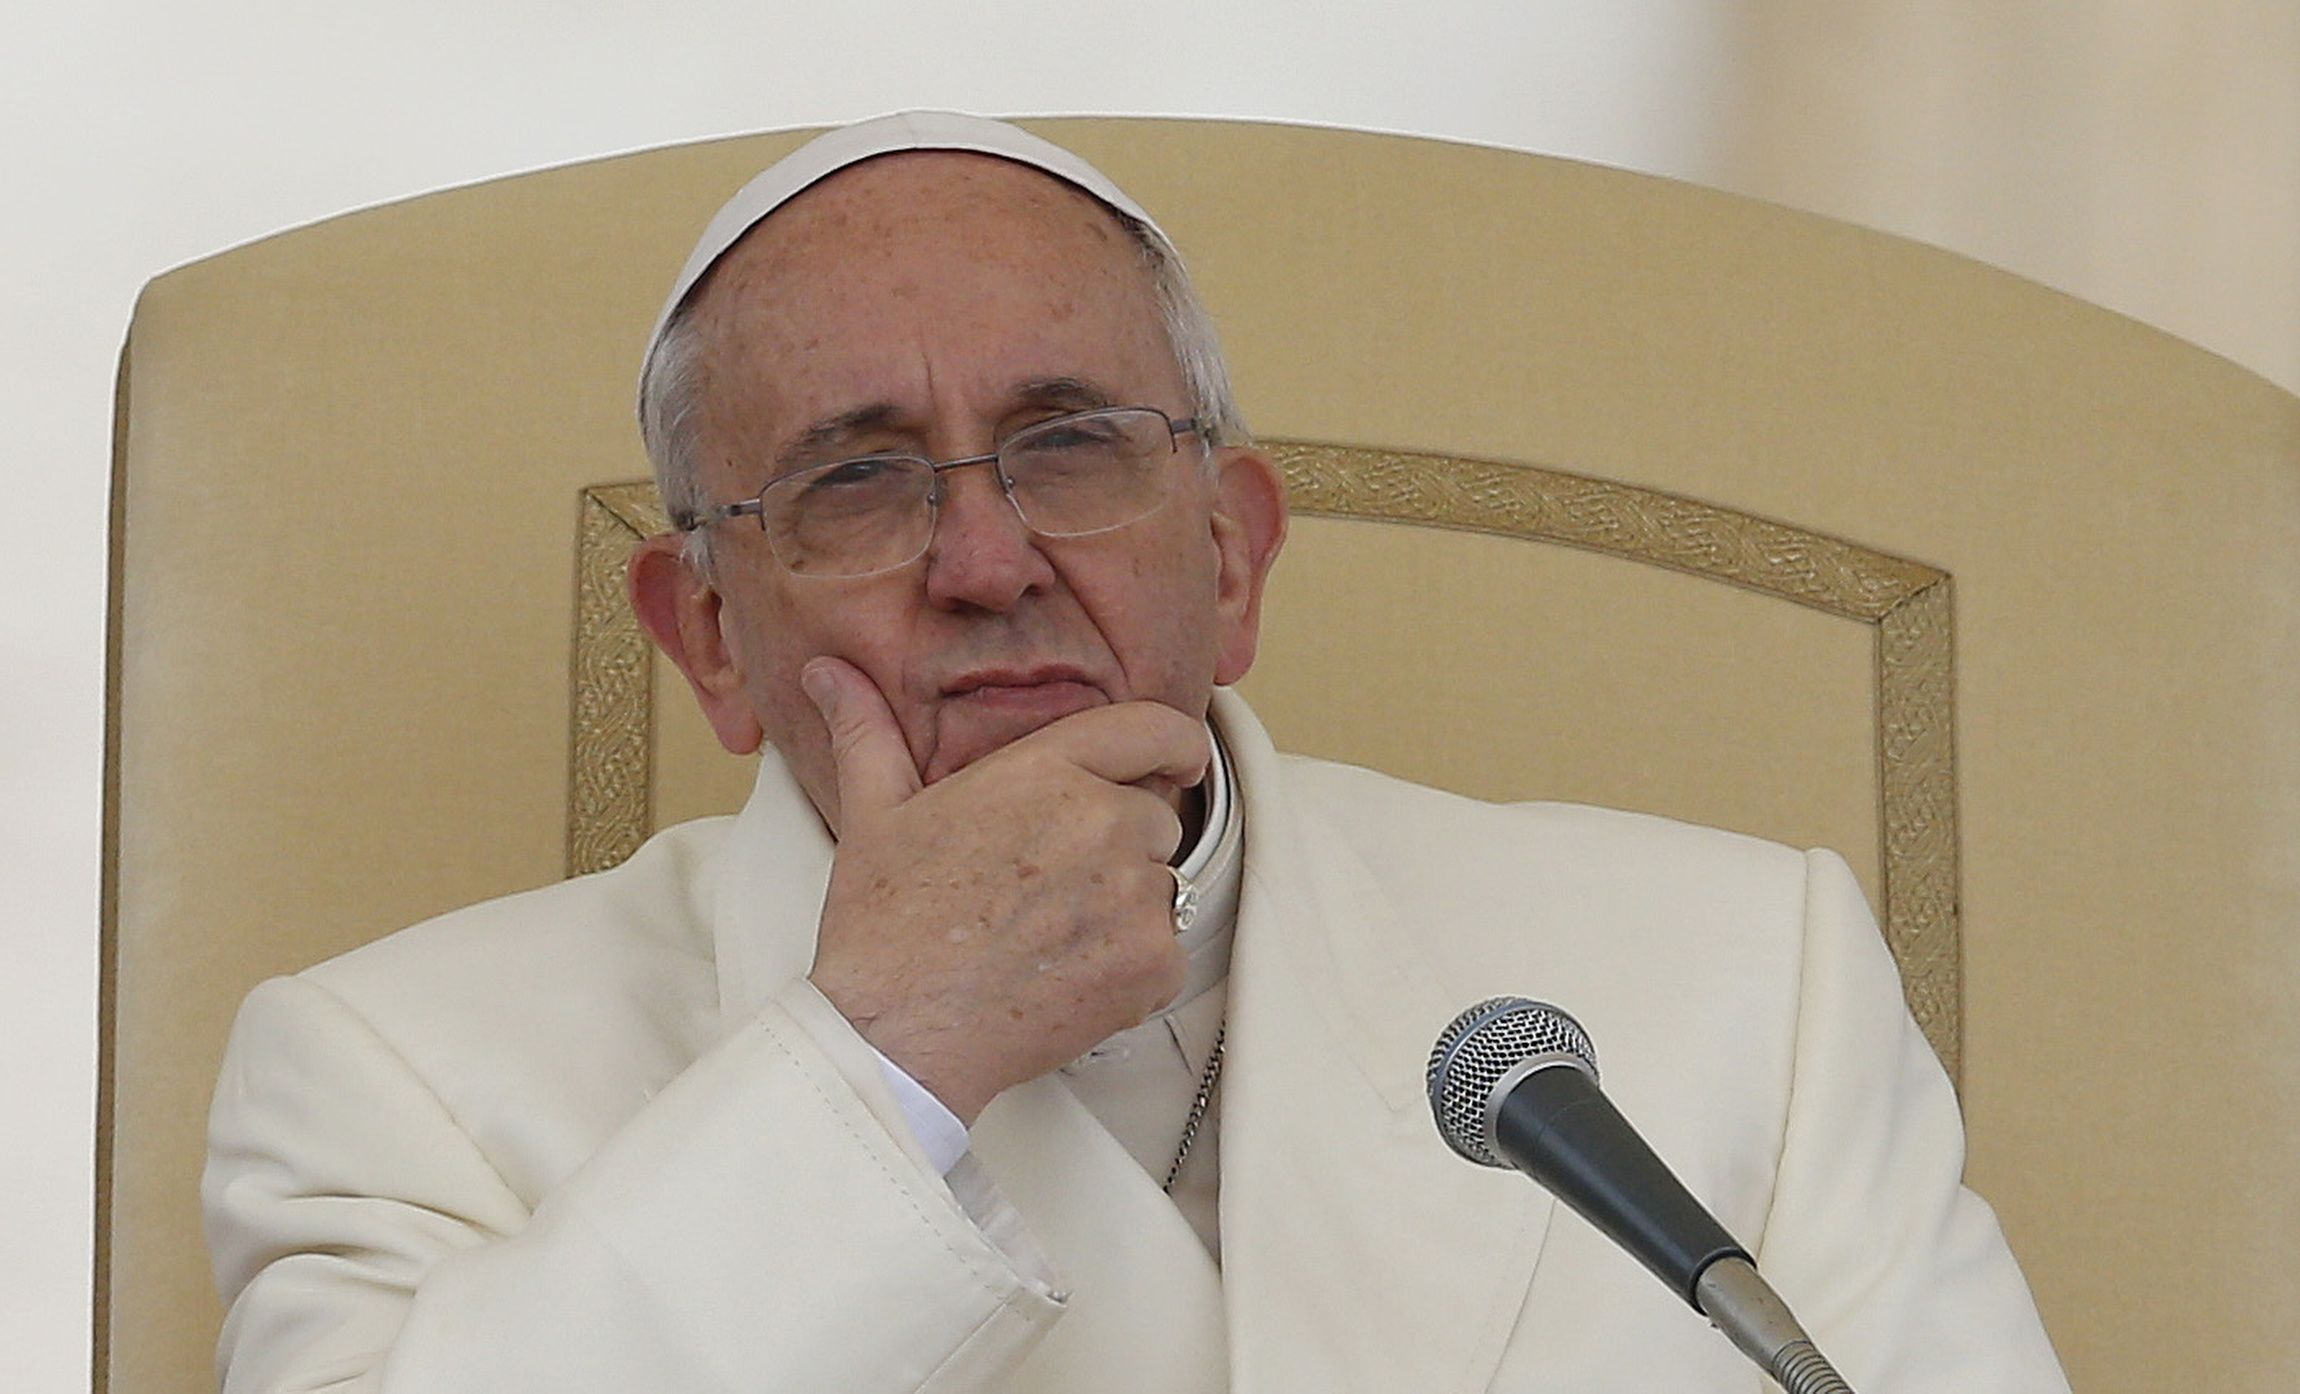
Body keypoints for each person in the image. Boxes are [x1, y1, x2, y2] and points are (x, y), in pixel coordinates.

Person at [204, 111, 2069, 1393]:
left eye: (1072, 443)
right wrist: (883, 1058)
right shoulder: (397, 1079)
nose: (987, 560)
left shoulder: (1746, 977)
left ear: (1234, 553)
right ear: (709, 633)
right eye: (857, 480)